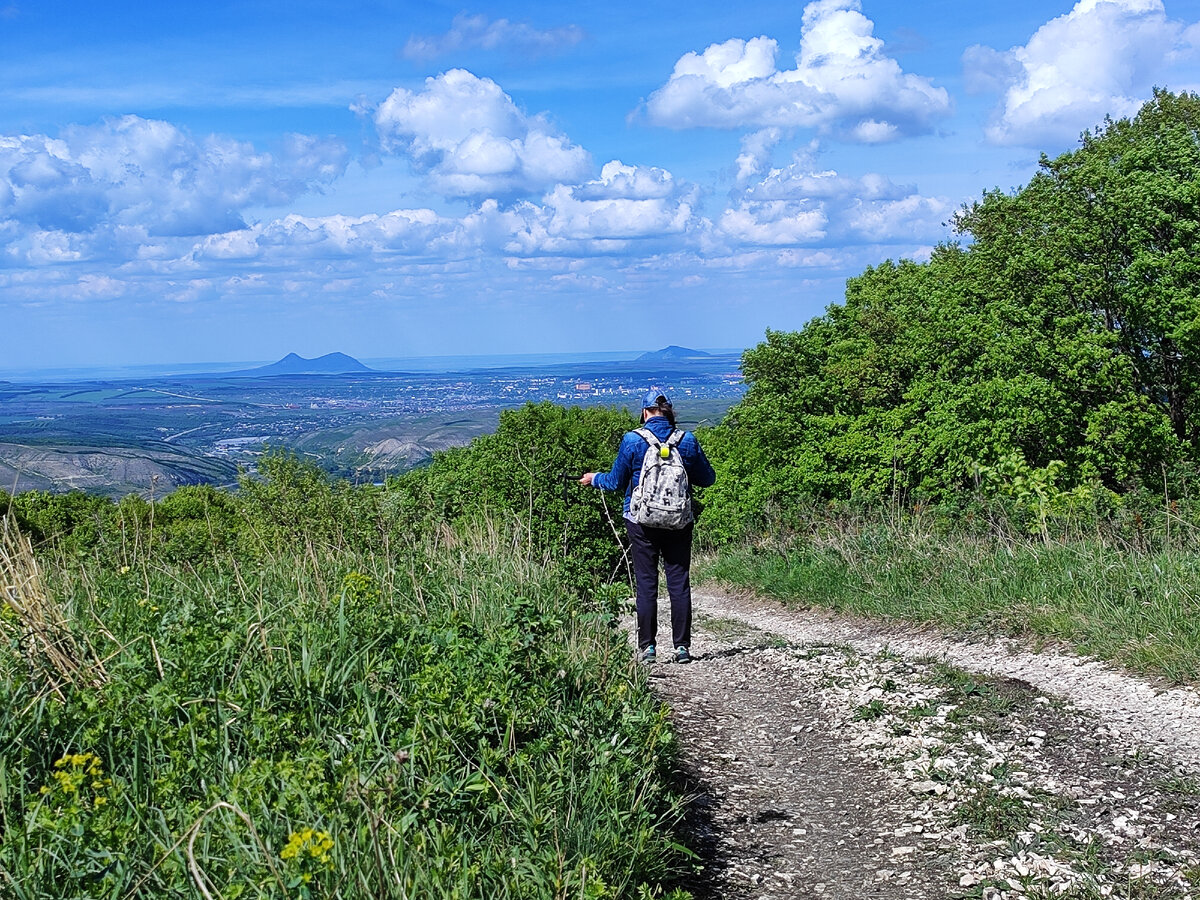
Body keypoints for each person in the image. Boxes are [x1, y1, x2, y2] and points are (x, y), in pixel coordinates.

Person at [580, 388, 716, 664]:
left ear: (644, 413)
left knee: (646, 582)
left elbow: (615, 482)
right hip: (678, 521)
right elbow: (708, 479)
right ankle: (681, 648)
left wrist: (594, 478)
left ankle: (648, 647)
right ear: (669, 413)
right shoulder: (686, 441)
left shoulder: (632, 440)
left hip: (640, 521)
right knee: (678, 582)